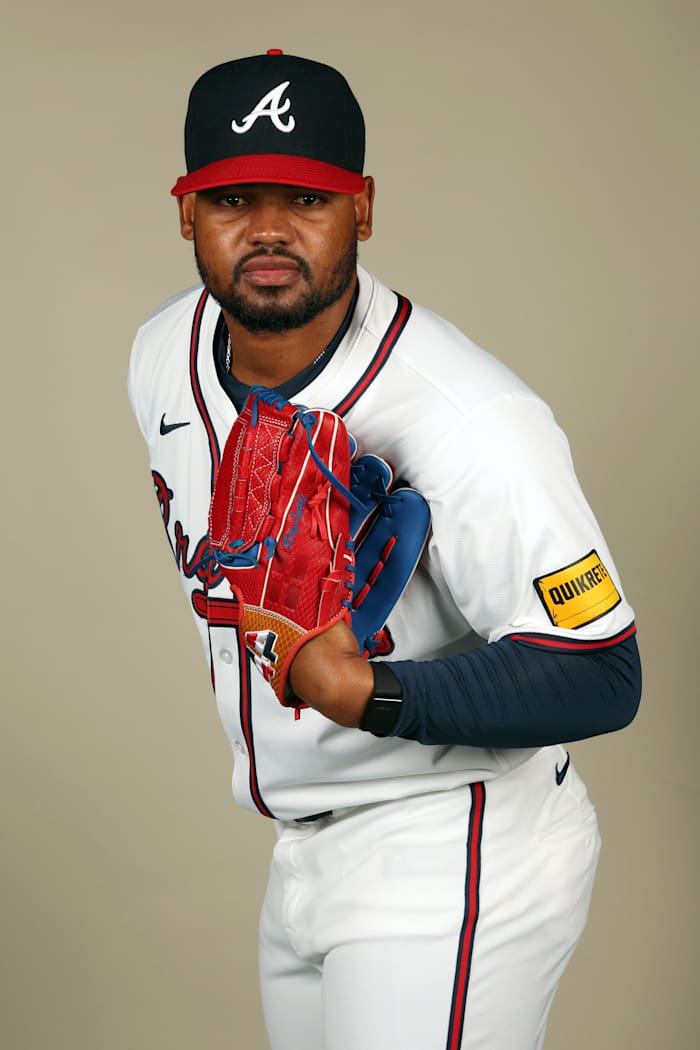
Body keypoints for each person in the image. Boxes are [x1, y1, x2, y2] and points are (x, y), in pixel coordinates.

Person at [128, 50, 641, 1050]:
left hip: (451, 839)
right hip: (303, 855)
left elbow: (603, 670)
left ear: (361, 209)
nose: (269, 229)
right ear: (185, 213)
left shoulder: (468, 418)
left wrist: (373, 694)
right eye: (234, 197)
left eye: (307, 199)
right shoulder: (159, 356)